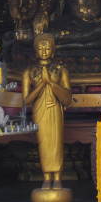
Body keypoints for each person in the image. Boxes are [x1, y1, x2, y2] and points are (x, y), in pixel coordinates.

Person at [22, 33, 72, 189]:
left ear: (53, 50)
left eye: (47, 47)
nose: (44, 51)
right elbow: (26, 101)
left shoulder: (60, 69)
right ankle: (46, 177)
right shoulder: (28, 71)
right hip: (40, 111)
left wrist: (51, 83)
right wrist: (41, 85)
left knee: (56, 142)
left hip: (55, 110)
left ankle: (57, 177)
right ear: (35, 50)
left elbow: (68, 98)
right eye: (40, 48)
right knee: (43, 143)